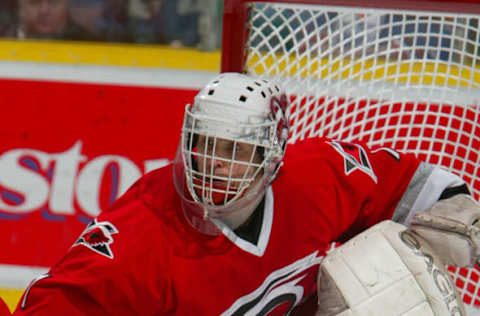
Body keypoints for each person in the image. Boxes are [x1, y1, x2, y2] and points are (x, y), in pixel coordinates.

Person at [12, 72, 480, 315]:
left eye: (235, 150)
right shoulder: (137, 241)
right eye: (205, 144)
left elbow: (409, 190)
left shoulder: (317, 176)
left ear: (273, 155)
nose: (214, 162)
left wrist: (455, 216)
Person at [4, 0, 99, 41]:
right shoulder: (3, 39)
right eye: (34, 2)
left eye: (53, 1)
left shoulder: (93, 44)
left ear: (66, 4)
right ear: (20, 4)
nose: (44, 11)